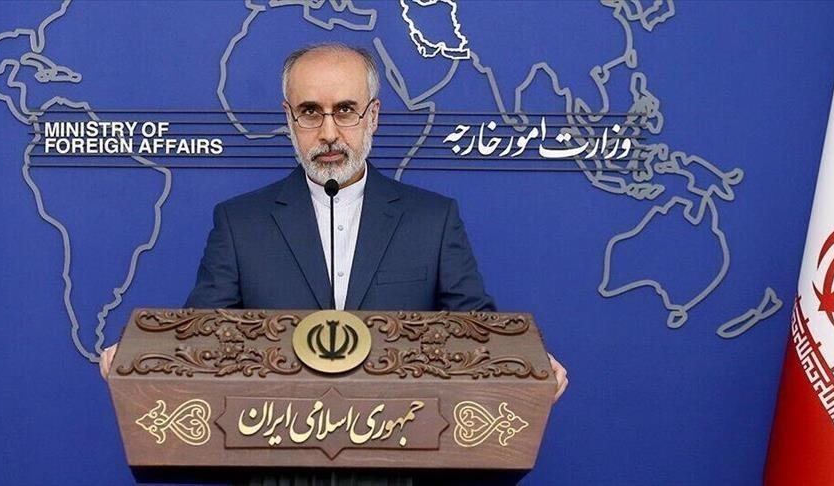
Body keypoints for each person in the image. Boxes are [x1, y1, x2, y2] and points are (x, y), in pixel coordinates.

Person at [99, 42, 567, 484]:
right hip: (272, 471)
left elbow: (478, 335)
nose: (327, 133)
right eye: (310, 112)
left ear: (373, 116)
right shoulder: (239, 223)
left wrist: (526, 366)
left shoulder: (433, 220)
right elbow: (199, 343)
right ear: (289, 117)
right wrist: (138, 362)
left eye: (345, 110)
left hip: (401, 471)